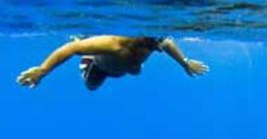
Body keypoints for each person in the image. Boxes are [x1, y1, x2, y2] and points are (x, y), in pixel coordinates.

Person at [16, 35, 209, 90]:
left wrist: (185, 63)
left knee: (135, 71)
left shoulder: (156, 40)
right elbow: (69, 49)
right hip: (101, 67)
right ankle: (88, 55)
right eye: (151, 49)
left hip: (125, 67)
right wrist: (42, 70)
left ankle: (131, 66)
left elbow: (167, 44)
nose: (156, 50)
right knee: (92, 86)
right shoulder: (113, 43)